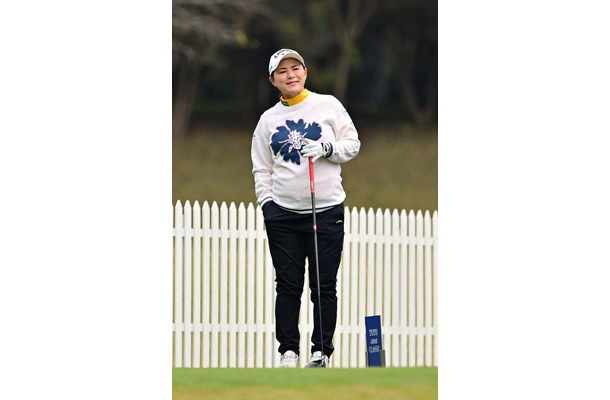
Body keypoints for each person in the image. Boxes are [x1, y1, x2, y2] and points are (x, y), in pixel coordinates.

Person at [250, 48, 360, 368]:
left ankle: (321, 352)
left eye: (296, 68)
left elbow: (351, 144)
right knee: (288, 286)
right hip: (283, 214)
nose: (291, 75)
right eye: (282, 71)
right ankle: (288, 351)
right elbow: (262, 168)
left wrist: (327, 148)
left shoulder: (328, 105)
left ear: (306, 72)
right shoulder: (268, 120)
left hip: (325, 210)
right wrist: (268, 205)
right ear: (273, 81)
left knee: (323, 284)